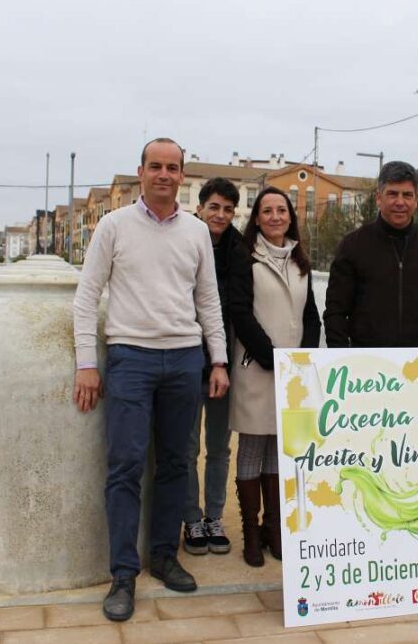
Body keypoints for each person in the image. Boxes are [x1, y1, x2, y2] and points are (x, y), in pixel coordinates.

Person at [72, 138, 229, 622]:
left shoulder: (197, 232)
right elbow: (86, 296)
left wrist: (217, 360)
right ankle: (123, 573)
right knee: (125, 464)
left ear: (183, 177)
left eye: (173, 167)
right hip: (131, 359)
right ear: (140, 172)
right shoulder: (113, 226)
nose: (164, 174)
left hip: (184, 359)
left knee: (178, 463)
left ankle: (163, 556)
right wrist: (86, 363)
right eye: (155, 166)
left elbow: (208, 301)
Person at [228, 186, 320, 567]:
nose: (275, 216)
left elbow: (311, 313)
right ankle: (250, 532)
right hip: (258, 366)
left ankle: (273, 529)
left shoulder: (300, 261)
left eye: (281, 210)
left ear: (290, 216)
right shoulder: (245, 257)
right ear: (257, 217)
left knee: (279, 450)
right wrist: (271, 356)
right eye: (267, 211)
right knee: (252, 447)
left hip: (292, 371)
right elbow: (240, 311)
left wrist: (305, 355)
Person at [324, 160, 418, 395]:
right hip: (364, 369)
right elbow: (335, 311)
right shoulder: (353, 245)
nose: (400, 202)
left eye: (407, 195)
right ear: (378, 197)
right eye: (392, 194)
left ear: (416, 200)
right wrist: (343, 358)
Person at [182, 177, 242, 557]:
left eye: (228, 209)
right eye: (214, 207)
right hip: (187, 360)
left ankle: (214, 516)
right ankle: (191, 518)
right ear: (200, 207)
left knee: (219, 447)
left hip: (225, 364)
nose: (220, 215)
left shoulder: (242, 251)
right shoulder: (184, 240)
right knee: (187, 448)